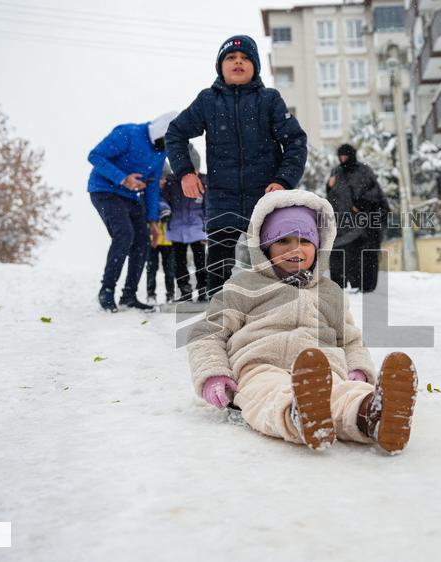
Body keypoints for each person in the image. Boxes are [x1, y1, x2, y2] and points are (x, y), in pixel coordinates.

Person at [187, 190, 419, 454]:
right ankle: (299, 416)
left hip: (322, 369)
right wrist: (213, 374)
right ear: (264, 247)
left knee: (343, 393)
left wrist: (358, 368)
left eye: (304, 241)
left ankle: (373, 415)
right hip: (258, 366)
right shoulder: (243, 287)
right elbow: (207, 334)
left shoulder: (330, 292)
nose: (294, 249)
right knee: (266, 395)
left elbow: (350, 339)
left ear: (318, 247)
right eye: (283, 240)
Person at [165, 35, 308, 299]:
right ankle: (221, 330)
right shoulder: (208, 101)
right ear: (221, 66)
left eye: (245, 58)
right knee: (218, 276)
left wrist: (284, 181)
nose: (238, 62)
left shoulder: (269, 100)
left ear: (255, 66)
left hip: (266, 199)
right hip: (222, 201)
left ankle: (282, 324)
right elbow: (175, 132)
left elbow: (296, 141)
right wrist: (185, 172)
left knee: (279, 270)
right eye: (231, 58)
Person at [88, 113, 174, 312]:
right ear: (162, 134)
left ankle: (129, 295)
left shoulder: (162, 152)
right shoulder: (129, 133)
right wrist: (123, 178)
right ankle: (107, 290)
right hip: (104, 190)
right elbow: (94, 155)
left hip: (131, 196)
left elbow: (152, 188)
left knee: (143, 239)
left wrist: (153, 221)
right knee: (125, 234)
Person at [326, 144, 388, 292]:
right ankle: (341, 284)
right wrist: (329, 186)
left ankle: (364, 285)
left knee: (364, 253)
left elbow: (375, 193)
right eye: (340, 156)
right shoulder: (336, 171)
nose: (343, 159)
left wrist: (361, 205)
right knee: (339, 251)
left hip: (364, 221)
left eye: (345, 156)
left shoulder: (363, 171)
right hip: (342, 221)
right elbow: (333, 196)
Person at [164, 149, 208, 302]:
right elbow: (163, 200)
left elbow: (208, 206)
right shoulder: (170, 182)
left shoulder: (204, 181)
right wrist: (164, 210)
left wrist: (208, 224)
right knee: (179, 263)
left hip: (198, 228)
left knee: (201, 261)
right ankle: (185, 291)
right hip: (176, 228)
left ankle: (203, 290)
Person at [145, 193, 176, 304]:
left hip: (169, 240)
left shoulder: (171, 194)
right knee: (151, 269)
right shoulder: (148, 194)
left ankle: (170, 294)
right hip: (152, 239)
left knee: (170, 270)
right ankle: (151, 295)